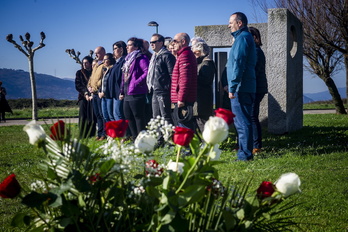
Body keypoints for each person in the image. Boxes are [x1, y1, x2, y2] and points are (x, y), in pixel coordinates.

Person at [227, 12, 256, 161]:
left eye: (231, 22)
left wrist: (232, 87)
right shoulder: (243, 38)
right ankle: (245, 153)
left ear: (240, 23)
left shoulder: (242, 38)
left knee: (242, 122)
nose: (228, 25)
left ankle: (245, 155)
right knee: (244, 121)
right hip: (245, 86)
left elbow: (238, 64)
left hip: (241, 88)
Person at [120, 37, 149, 139]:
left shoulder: (141, 58)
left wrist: (137, 82)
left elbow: (147, 72)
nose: (127, 47)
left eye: (130, 45)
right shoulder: (128, 59)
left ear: (136, 46)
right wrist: (122, 90)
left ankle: (142, 140)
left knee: (138, 117)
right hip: (127, 93)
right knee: (128, 117)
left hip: (137, 92)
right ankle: (134, 138)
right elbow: (124, 76)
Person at [170, 32, 197, 130]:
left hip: (184, 100)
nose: (173, 43)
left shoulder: (185, 55)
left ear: (183, 41)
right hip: (184, 98)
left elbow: (185, 79)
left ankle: (187, 146)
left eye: (175, 41)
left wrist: (181, 98)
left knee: (184, 128)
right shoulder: (183, 55)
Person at [147, 33, 176, 125]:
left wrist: (170, 90)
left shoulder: (167, 55)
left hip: (163, 91)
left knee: (165, 116)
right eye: (150, 42)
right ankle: (159, 139)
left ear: (161, 43)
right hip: (154, 90)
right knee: (156, 117)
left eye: (154, 42)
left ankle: (169, 138)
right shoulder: (154, 56)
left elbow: (172, 74)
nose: (151, 44)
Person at [249, 27, 268, 154]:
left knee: (252, 116)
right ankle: (253, 144)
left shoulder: (255, 51)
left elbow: (253, 71)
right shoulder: (255, 51)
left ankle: (256, 145)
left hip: (256, 88)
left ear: (255, 38)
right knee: (251, 116)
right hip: (256, 87)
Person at [191, 41, 216, 133]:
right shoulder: (202, 63)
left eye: (195, 53)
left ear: (200, 51)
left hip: (203, 99)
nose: (194, 55)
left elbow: (206, 80)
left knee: (203, 125)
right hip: (200, 99)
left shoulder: (207, 63)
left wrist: (192, 75)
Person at [87, 46, 106, 141]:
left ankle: (104, 134)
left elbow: (103, 79)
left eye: (97, 53)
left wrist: (96, 87)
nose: (95, 55)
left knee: (102, 114)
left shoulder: (104, 64)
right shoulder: (96, 65)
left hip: (99, 93)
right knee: (97, 114)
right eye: (95, 53)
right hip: (93, 93)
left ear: (103, 52)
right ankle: (99, 133)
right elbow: (91, 78)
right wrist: (89, 86)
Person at [75, 56, 96, 138]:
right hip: (83, 97)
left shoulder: (94, 72)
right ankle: (82, 134)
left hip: (93, 96)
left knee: (92, 116)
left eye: (86, 63)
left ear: (90, 63)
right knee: (83, 116)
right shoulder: (79, 73)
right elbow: (78, 85)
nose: (84, 64)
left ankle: (91, 134)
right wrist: (85, 93)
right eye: (83, 63)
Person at [108, 41, 127, 120]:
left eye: (115, 48)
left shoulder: (124, 61)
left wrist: (121, 91)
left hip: (119, 92)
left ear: (121, 49)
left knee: (118, 114)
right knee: (114, 114)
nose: (114, 51)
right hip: (114, 93)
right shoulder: (117, 62)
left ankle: (123, 132)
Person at [99, 53, 116, 122]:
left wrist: (104, 92)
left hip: (109, 96)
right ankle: (109, 132)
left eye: (106, 59)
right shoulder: (105, 70)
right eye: (104, 59)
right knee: (105, 116)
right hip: (103, 96)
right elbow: (102, 83)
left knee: (111, 116)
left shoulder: (112, 69)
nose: (104, 61)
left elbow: (110, 84)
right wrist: (99, 92)